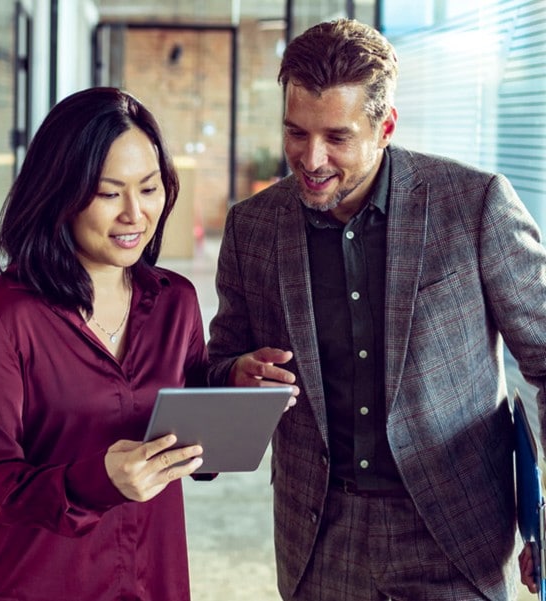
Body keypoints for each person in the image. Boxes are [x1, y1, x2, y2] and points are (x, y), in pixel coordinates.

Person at [207, 18, 546, 600]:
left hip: (454, 534)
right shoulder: (252, 227)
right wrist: (236, 374)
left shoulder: (475, 205)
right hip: (318, 538)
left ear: (384, 126)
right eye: (296, 133)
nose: (311, 159)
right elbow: (218, 366)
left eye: (337, 137)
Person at [0, 87, 209, 600]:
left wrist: (235, 385)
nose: (135, 214)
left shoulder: (176, 302)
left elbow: (193, 438)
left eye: (150, 188)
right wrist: (98, 481)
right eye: (110, 193)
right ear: (60, 194)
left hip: (152, 580)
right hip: (37, 584)